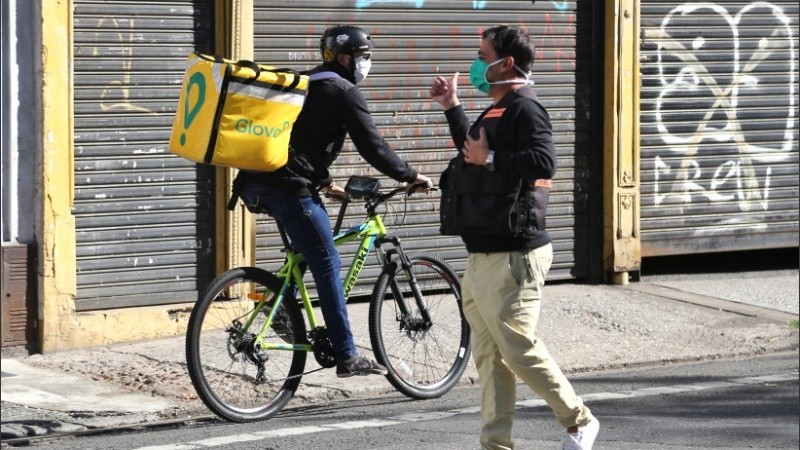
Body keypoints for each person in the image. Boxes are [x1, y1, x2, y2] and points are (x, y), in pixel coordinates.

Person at [429, 25, 599, 450]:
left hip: (514, 254)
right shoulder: (498, 108)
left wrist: (492, 159)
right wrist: (453, 107)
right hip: (484, 254)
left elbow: (544, 161)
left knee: (518, 349)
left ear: (505, 63)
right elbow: (474, 151)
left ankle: (579, 420)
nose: (476, 62)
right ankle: (496, 445)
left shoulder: (527, 108)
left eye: (482, 53)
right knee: (490, 359)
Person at [234, 25, 432, 377]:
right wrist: (409, 175)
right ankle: (347, 355)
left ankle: (279, 305)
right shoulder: (344, 92)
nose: (366, 63)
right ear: (344, 57)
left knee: (308, 250)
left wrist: (325, 182)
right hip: (287, 188)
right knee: (327, 261)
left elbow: (293, 145)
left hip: (254, 183)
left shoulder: (306, 82)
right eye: (363, 56)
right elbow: (374, 147)